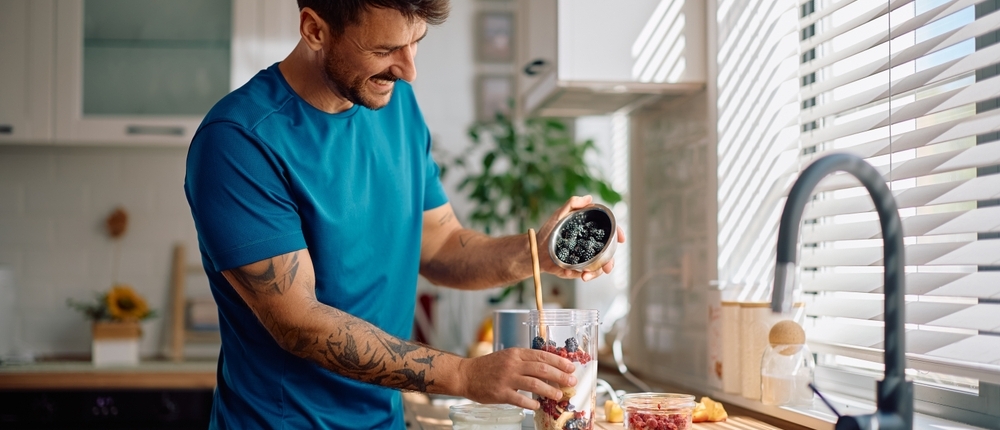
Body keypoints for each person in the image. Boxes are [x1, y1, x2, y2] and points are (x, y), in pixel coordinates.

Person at [184, 0, 625, 428]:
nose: (408, 69)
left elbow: (442, 245)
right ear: (314, 30)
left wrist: (537, 252)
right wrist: (463, 376)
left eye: (416, 41)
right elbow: (298, 322)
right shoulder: (239, 141)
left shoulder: (395, 104)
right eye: (383, 50)